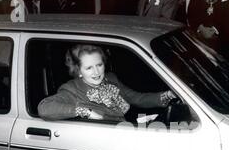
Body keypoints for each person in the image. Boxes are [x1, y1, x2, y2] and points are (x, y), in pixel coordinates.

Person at [38, 44, 175, 121]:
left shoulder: (111, 79)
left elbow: (136, 98)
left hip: (124, 130)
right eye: (89, 68)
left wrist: (167, 95)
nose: (96, 72)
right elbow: (44, 107)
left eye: (99, 65)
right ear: (79, 70)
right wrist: (84, 111)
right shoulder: (71, 89)